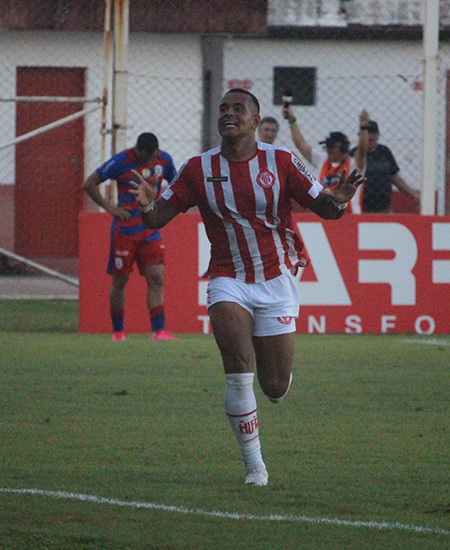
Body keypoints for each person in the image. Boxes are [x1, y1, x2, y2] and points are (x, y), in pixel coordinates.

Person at [129, 89, 365, 486]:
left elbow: (325, 208)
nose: (229, 113)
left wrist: (339, 200)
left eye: (238, 109)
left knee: (274, 386)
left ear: (256, 121)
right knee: (238, 367)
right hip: (228, 278)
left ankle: (275, 376)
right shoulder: (198, 168)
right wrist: (148, 204)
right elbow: (156, 219)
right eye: (223, 108)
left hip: (276, 279)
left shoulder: (281, 161)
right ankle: (255, 466)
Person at [82, 132, 178, 341]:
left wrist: (163, 207)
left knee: (156, 277)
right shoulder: (122, 160)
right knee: (120, 281)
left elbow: (178, 186)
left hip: (151, 230)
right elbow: (89, 183)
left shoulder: (164, 160)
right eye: (147, 157)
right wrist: (111, 208)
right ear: (139, 151)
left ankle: (159, 331)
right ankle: (118, 332)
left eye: (154, 156)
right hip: (125, 232)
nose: (151, 160)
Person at [282, 104, 369, 213]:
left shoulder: (353, 164)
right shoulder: (322, 160)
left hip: (350, 215)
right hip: (326, 213)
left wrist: (363, 128)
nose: (328, 150)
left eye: (332, 147)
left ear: (343, 147)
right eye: (327, 147)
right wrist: (292, 121)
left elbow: (362, 150)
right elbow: (301, 145)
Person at [350, 120, 420, 213]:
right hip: (362, 210)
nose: (370, 137)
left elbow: (394, 177)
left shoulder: (384, 152)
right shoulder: (354, 154)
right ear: (361, 136)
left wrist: (413, 194)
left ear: (378, 135)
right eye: (367, 133)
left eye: (373, 133)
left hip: (384, 209)